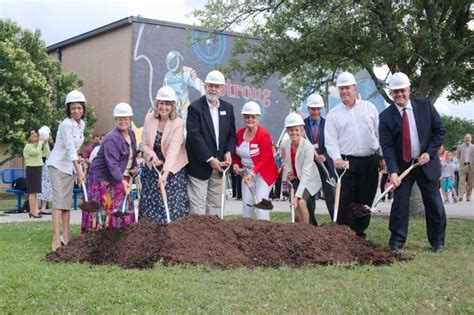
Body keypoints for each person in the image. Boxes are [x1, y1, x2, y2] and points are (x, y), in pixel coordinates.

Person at [379, 72, 446, 253]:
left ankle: (437, 241)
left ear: (409, 89)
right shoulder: (385, 117)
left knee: (433, 203)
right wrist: (393, 171)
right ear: (391, 93)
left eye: (402, 90)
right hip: (403, 167)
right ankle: (397, 241)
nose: (399, 94)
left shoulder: (425, 106)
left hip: (425, 163)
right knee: (399, 204)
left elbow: (440, 131)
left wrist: (429, 153)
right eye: (395, 92)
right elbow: (387, 147)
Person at [325, 71, 384, 237]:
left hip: (370, 161)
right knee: (345, 199)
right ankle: (345, 233)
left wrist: (381, 155)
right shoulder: (333, 115)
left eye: (347, 88)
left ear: (354, 88)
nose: (344, 91)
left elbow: (379, 134)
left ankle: (360, 233)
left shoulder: (369, 108)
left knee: (365, 199)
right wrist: (336, 157)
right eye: (341, 88)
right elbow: (331, 140)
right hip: (346, 163)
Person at [185, 70, 237, 215]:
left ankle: (214, 238)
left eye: (216, 86)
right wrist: (209, 158)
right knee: (198, 208)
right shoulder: (195, 108)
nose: (213, 89)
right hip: (199, 165)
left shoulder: (228, 108)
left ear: (222, 89)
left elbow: (232, 135)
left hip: (219, 166)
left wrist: (228, 151)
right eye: (210, 85)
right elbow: (194, 136)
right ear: (205, 86)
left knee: (215, 207)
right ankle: (196, 237)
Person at [81, 102, 138, 232]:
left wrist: (133, 168)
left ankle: (122, 235)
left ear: (130, 119)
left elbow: (131, 155)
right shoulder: (112, 138)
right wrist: (122, 180)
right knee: (104, 208)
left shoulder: (131, 134)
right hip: (102, 177)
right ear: (115, 120)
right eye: (119, 119)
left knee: (122, 206)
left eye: (126, 118)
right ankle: (98, 237)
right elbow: (112, 163)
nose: (123, 121)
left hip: (120, 175)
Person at [139, 86, 189, 222]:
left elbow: (173, 151)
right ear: (157, 104)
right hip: (154, 166)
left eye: (167, 104)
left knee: (172, 205)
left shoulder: (178, 123)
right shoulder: (149, 118)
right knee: (151, 204)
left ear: (172, 106)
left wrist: (166, 174)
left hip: (173, 169)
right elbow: (144, 144)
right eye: (161, 103)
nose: (164, 107)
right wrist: (153, 157)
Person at [47, 90, 87, 251]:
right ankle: (56, 237)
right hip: (57, 166)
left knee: (66, 203)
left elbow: (74, 150)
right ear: (68, 109)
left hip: (70, 167)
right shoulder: (65, 124)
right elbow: (70, 149)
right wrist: (80, 171)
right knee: (58, 201)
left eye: (79, 108)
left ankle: (66, 236)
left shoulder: (81, 125)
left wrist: (79, 162)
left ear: (83, 109)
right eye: (73, 108)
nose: (76, 111)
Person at [232, 101, 278, 220]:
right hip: (247, 173)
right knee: (247, 204)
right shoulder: (239, 134)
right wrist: (236, 164)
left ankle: (266, 230)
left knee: (260, 201)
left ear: (258, 118)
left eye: (253, 117)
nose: (250, 119)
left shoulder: (264, 135)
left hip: (265, 173)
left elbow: (267, 158)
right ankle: (247, 232)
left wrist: (253, 172)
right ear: (244, 117)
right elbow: (236, 154)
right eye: (247, 116)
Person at [280, 113, 321, 224]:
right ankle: (298, 229)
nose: (294, 133)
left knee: (301, 202)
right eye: (291, 130)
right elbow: (284, 159)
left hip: (308, 179)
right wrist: (289, 172)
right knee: (295, 207)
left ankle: (307, 230)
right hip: (295, 177)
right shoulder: (284, 144)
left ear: (302, 131)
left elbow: (307, 172)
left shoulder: (308, 147)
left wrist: (297, 196)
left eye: (297, 130)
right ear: (287, 131)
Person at [303, 93, 336, 222]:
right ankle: (311, 225)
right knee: (309, 196)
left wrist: (325, 156)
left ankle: (335, 223)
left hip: (326, 166)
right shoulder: (302, 126)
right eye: (313, 109)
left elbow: (334, 143)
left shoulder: (329, 124)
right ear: (308, 109)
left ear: (321, 109)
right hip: (309, 166)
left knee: (331, 195)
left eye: (318, 109)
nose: (316, 111)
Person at [23, 130, 49, 218]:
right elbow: (36, 152)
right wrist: (41, 143)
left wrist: (45, 144)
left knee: (35, 192)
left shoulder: (37, 147)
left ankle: (34, 211)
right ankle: (32, 211)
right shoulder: (28, 147)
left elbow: (45, 153)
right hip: (32, 169)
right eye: (37, 136)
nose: (38, 137)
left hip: (38, 169)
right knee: (32, 191)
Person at [457, 133, 474, 201]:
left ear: (471, 139)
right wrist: (462, 162)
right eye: (466, 138)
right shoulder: (460, 147)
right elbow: (458, 156)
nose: (467, 139)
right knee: (461, 181)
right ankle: (460, 196)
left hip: (471, 166)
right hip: (463, 166)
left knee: (470, 182)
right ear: (464, 139)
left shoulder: (473, 147)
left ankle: (468, 196)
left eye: (469, 138)